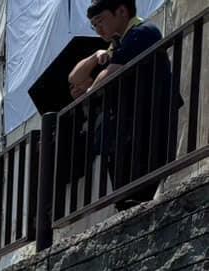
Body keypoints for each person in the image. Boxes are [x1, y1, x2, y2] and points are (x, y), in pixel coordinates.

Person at [69, 0, 179, 209]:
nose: (98, 29)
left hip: (147, 122)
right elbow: (75, 78)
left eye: (100, 21)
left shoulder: (142, 32)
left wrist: (90, 91)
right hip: (127, 129)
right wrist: (95, 56)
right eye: (94, 25)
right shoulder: (117, 44)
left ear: (121, 11)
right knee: (126, 197)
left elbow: (110, 73)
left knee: (138, 190)